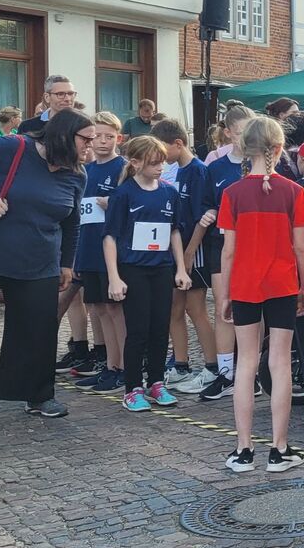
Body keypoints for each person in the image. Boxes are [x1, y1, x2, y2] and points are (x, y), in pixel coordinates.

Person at [0, 109, 93, 417]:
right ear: (65, 135)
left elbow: (72, 222)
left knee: (37, 331)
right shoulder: (12, 146)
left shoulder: (77, 174)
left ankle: (38, 395)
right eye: (86, 139)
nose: (90, 146)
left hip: (38, 264)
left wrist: (66, 263)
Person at [218, 117, 304, 473]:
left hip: (245, 284)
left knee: (246, 363)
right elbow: (301, 246)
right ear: (279, 148)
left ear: (245, 148)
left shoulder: (233, 193)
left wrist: (225, 293)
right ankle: (279, 448)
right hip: (282, 283)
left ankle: (243, 448)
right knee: (280, 362)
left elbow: (228, 251)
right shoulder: (293, 191)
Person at [104, 136, 189, 411]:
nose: (160, 168)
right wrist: (114, 277)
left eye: (162, 162)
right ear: (136, 162)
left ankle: (156, 381)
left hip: (161, 268)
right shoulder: (123, 194)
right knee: (138, 329)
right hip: (133, 268)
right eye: (153, 163)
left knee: (160, 328)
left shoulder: (169, 193)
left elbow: (174, 231)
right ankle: (132, 388)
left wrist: (181, 268)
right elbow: (110, 237)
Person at [151, 120, 219, 396]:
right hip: (177, 249)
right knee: (174, 308)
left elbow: (203, 216)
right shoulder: (178, 169)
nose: (159, 157)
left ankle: (213, 366)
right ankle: (180, 365)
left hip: (194, 250)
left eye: (162, 149)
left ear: (178, 144)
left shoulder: (198, 170)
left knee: (196, 308)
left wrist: (189, 253)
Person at [191, 104, 252, 400]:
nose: (246, 138)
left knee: (251, 308)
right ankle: (226, 373)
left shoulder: (263, 164)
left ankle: (250, 373)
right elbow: (205, 203)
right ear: (227, 133)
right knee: (224, 307)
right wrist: (209, 213)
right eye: (240, 133)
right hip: (221, 244)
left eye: (250, 132)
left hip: (253, 244)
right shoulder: (214, 168)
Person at [68, 115, 128, 392]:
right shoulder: (84, 170)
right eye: (97, 137)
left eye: (109, 136)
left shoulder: (123, 168)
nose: (102, 142)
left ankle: (124, 368)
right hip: (88, 248)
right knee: (99, 309)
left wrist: (112, 203)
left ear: (118, 138)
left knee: (116, 309)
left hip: (112, 251)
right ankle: (110, 365)